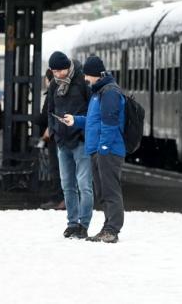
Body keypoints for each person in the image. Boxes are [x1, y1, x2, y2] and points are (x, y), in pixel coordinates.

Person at [62, 55, 126, 243]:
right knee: (103, 191)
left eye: (87, 76)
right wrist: (75, 120)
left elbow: (110, 123)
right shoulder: (99, 93)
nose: (85, 80)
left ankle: (112, 229)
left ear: (94, 74)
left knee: (110, 191)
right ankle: (108, 227)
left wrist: (103, 148)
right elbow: (94, 120)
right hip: (98, 150)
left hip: (107, 151)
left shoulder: (110, 93)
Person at [47, 51, 92, 239]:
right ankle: (72, 223)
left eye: (61, 71)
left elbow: (93, 110)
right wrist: (55, 131)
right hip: (63, 141)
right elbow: (49, 110)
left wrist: (81, 129)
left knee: (84, 185)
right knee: (67, 185)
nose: (58, 75)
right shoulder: (53, 86)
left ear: (68, 67)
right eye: (55, 72)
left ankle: (84, 223)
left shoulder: (82, 82)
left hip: (80, 140)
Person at [38, 69, 65, 210]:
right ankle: (66, 199)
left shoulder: (52, 92)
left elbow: (44, 116)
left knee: (56, 168)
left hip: (55, 137)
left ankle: (58, 198)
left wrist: (33, 119)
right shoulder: (66, 91)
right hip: (66, 136)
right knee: (67, 169)